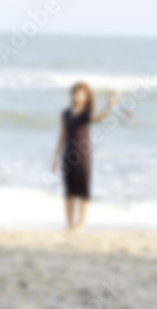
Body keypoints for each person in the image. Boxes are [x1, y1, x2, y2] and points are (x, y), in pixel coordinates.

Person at [52, 83, 118, 231]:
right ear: (72, 95)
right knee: (69, 192)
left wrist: (108, 105)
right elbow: (62, 136)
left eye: (82, 94)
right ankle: (69, 224)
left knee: (82, 191)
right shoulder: (66, 113)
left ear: (86, 96)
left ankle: (80, 225)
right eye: (76, 93)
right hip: (68, 157)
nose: (78, 96)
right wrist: (56, 157)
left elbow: (99, 118)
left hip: (83, 157)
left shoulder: (87, 113)